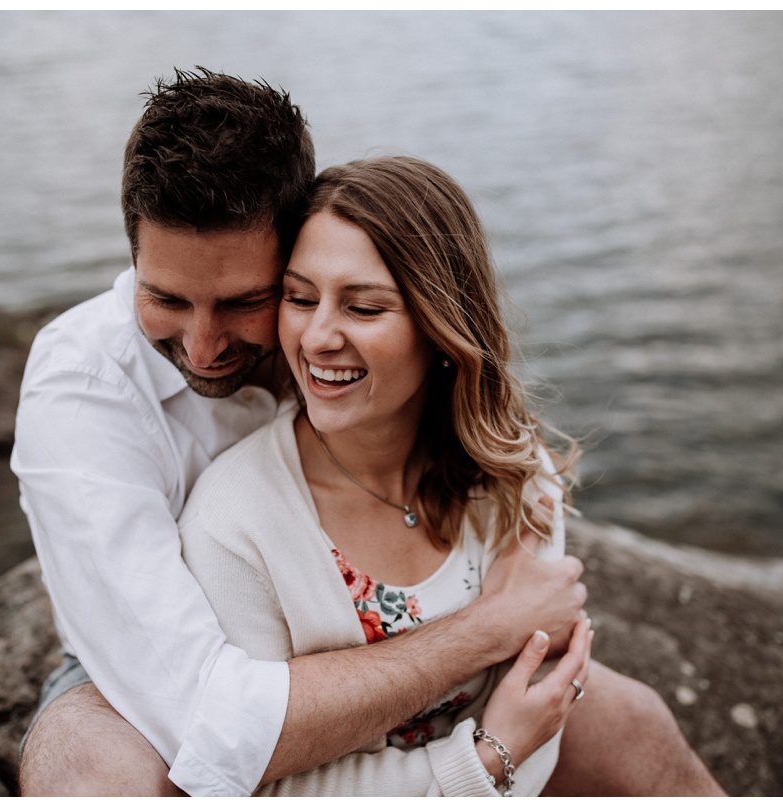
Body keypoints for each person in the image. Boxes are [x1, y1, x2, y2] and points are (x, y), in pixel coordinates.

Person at [12, 68, 723, 796]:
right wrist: (489, 631)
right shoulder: (84, 390)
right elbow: (210, 723)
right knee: (87, 766)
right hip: (157, 664)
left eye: (246, 301)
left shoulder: (343, 332)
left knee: (633, 718)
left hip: (374, 650)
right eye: (162, 297)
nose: (200, 347)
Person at [181, 155, 596, 795]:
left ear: (440, 330)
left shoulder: (514, 474)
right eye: (299, 298)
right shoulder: (232, 525)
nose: (317, 337)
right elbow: (249, 786)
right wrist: (483, 760)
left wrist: (512, 745)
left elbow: (545, 711)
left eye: (364, 309)